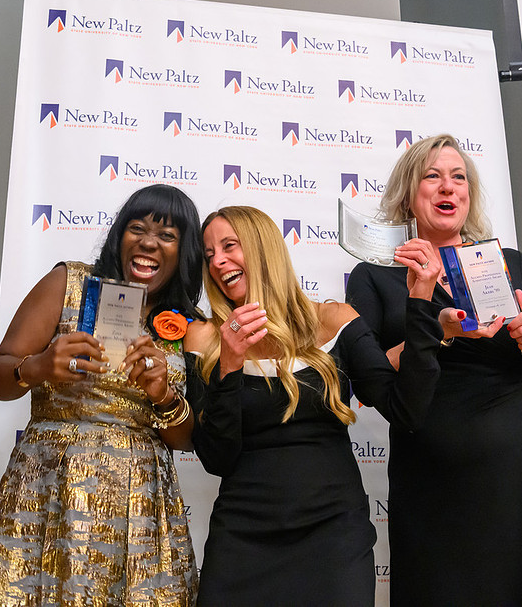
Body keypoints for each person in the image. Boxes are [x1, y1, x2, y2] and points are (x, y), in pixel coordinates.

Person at [345, 133, 522, 606]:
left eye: (458, 177)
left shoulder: (507, 264)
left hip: (519, 473)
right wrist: (438, 331)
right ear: (409, 194)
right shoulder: (376, 277)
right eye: (432, 176)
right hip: (431, 483)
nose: (448, 187)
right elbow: (364, 385)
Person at [186, 205, 442, 606]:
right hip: (243, 539)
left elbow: (406, 409)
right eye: (209, 254)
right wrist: (230, 365)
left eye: (229, 246)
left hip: (333, 536)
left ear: (262, 249)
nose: (218, 262)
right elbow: (217, 457)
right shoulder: (204, 338)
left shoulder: (333, 319)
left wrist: (421, 301)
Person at [0, 184, 203, 606]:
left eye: (167, 235)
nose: (149, 241)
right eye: (137, 228)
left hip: (141, 503)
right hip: (48, 488)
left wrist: (164, 396)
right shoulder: (69, 282)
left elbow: (185, 440)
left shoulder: (189, 324)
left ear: (183, 251)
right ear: (119, 236)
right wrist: (36, 367)